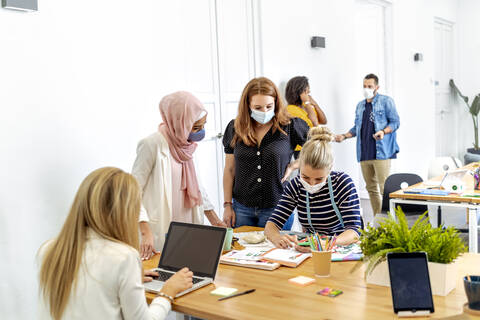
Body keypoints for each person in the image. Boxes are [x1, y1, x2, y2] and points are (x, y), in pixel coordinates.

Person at [37, 167, 193, 320]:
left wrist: (128, 279)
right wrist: (167, 292)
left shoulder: (49, 249)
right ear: (125, 212)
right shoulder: (124, 257)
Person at [132, 91, 225, 260]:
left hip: (189, 225)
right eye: (195, 127)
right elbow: (132, 192)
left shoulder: (187, 145)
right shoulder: (151, 145)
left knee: (192, 275)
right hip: (162, 227)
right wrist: (145, 232)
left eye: (203, 125)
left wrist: (214, 219)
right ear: (179, 122)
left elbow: (197, 186)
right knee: (164, 275)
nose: (200, 132)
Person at [222, 77, 309, 229]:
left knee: (275, 252)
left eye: (269, 106)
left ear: (276, 102)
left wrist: (294, 165)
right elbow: (230, 170)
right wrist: (227, 205)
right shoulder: (235, 128)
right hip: (242, 207)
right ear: (247, 105)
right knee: (241, 252)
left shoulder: (291, 125)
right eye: (258, 107)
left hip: (278, 206)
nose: (265, 111)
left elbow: (316, 153)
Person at [265, 127, 362, 249]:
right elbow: (272, 224)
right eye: (305, 177)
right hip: (311, 247)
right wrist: (277, 238)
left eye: (319, 179)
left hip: (340, 247)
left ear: (330, 168)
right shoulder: (295, 186)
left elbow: (354, 232)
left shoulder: (342, 183)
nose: (311, 184)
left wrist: (328, 243)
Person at [335, 74, 400, 215]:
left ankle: (391, 220)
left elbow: (395, 122)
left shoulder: (386, 101)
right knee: (371, 188)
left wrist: (383, 131)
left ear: (377, 87)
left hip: (381, 152)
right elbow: (357, 128)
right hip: (364, 152)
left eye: (369, 86)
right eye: (364, 86)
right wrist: (344, 136)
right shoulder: (360, 106)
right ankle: (378, 218)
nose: (366, 89)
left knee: (384, 188)